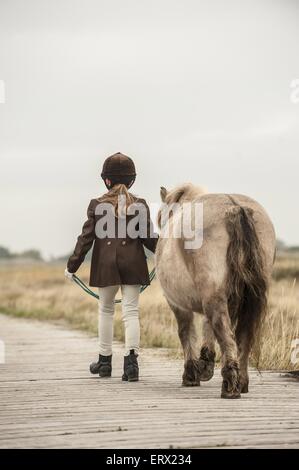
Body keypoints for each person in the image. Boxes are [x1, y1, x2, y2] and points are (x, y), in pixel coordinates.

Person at [65, 152, 158, 381]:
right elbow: (149, 239)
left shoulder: (97, 205)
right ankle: (131, 365)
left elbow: (85, 239)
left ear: (106, 180)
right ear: (132, 180)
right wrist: (167, 253)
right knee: (131, 312)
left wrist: (72, 267)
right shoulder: (140, 205)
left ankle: (104, 362)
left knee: (106, 310)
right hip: (133, 265)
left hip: (105, 265)